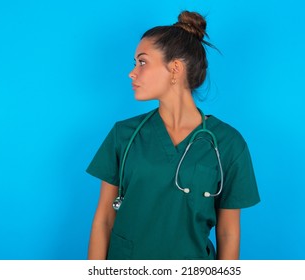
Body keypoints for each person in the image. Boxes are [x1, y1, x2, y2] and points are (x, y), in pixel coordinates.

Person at [86, 11, 260, 260]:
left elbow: (228, 232)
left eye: (142, 62)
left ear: (175, 68)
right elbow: (104, 218)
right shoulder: (124, 135)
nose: (132, 73)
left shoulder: (228, 143)